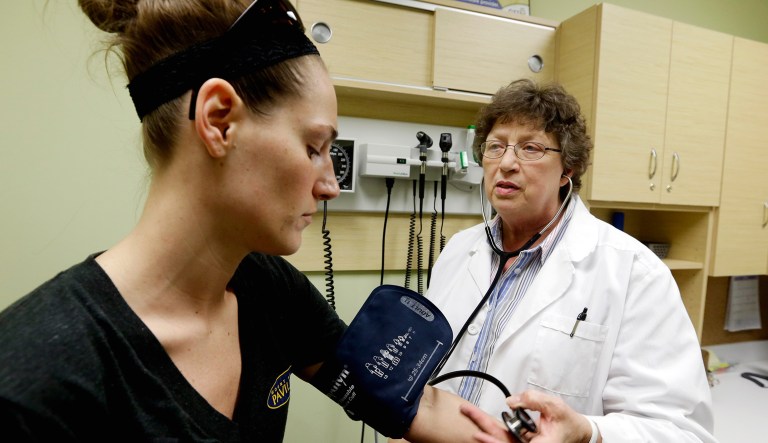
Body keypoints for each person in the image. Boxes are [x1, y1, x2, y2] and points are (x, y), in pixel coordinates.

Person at [0, 1, 506, 441]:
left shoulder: (266, 290)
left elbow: (405, 399)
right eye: (313, 148)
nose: (330, 185)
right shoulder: (36, 380)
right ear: (220, 121)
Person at [424, 79, 717, 442]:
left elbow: (682, 432)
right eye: (495, 147)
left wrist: (587, 433)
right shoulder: (457, 250)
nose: (507, 163)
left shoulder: (635, 273)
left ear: (568, 169)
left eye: (530, 148)